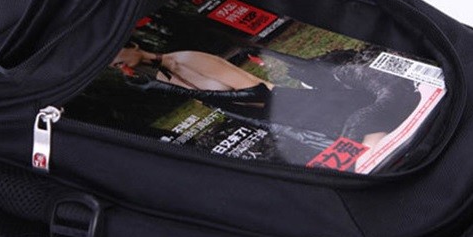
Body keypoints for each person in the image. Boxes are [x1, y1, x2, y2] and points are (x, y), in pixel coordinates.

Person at [110, 44, 421, 149]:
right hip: (280, 121)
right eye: (112, 65)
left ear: (131, 44)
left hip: (292, 106)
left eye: (116, 57)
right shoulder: (163, 75)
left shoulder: (187, 59)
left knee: (372, 140)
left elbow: (255, 92)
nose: (118, 65)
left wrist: (166, 90)